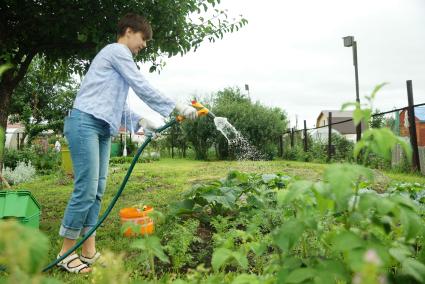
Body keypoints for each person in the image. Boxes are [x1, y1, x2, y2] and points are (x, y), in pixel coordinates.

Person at [56, 13, 198, 273]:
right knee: (86, 189)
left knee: (97, 190)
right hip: (85, 122)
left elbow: (119, 107)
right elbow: (141, 85)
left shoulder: (118, 64)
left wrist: (142, 121)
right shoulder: (117, 51)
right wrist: (174, 106)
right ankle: (66, 253)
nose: (144, 45)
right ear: (129, 31)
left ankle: (88, 250)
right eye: (143, 38)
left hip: (101, 127)